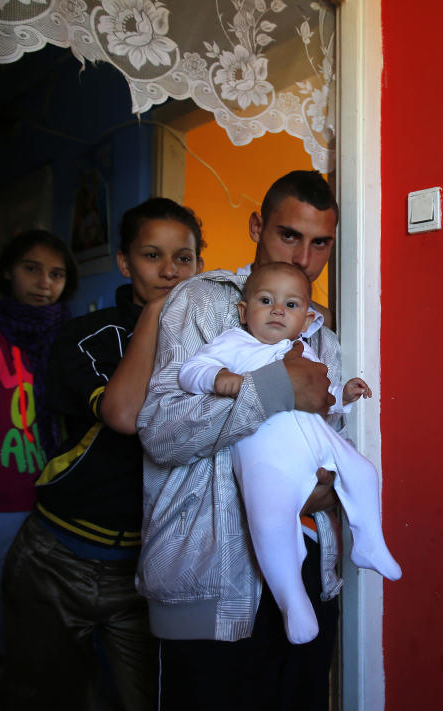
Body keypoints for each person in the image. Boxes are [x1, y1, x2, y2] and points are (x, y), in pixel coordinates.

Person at [137, 170, 347, 710]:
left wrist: (330, 486)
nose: (303, 259)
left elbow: (331, 442)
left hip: (310, 574)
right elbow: (162, 430)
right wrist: (277, 387)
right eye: (288, 235)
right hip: (210, 583)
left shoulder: (324, 335)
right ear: (257, 226)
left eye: (320, 242)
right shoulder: (201, 303)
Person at [1, 198, 204, 710]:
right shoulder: (86, 335)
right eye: (152, 255)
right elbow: (127, 416)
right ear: (124, 263)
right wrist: (158, 311)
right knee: (48, 698)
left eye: (184, 258)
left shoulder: (215, 346)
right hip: (56, 559)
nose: (169, 270)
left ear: (201, 264)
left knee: (144, 700)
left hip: (144, 567)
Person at [178, 261, 400, 644]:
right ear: (245, 313)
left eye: (291, 305)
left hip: (316, 438)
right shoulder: (234, 343)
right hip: (266, 450)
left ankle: (369, 542)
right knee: (271, 524)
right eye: (266, 301)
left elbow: (322, 403)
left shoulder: (305, 353)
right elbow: (190, 371)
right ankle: (292, 601)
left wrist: (343, 397)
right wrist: (217, 378)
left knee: (363, 473)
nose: (278, 310)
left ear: (307, 319)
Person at [0, 230, 76, 698]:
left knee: (39, 627)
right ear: (7, 271)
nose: (45, 282)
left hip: (50, 507)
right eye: (31, 269)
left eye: (57, 273)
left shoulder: (71, 339)